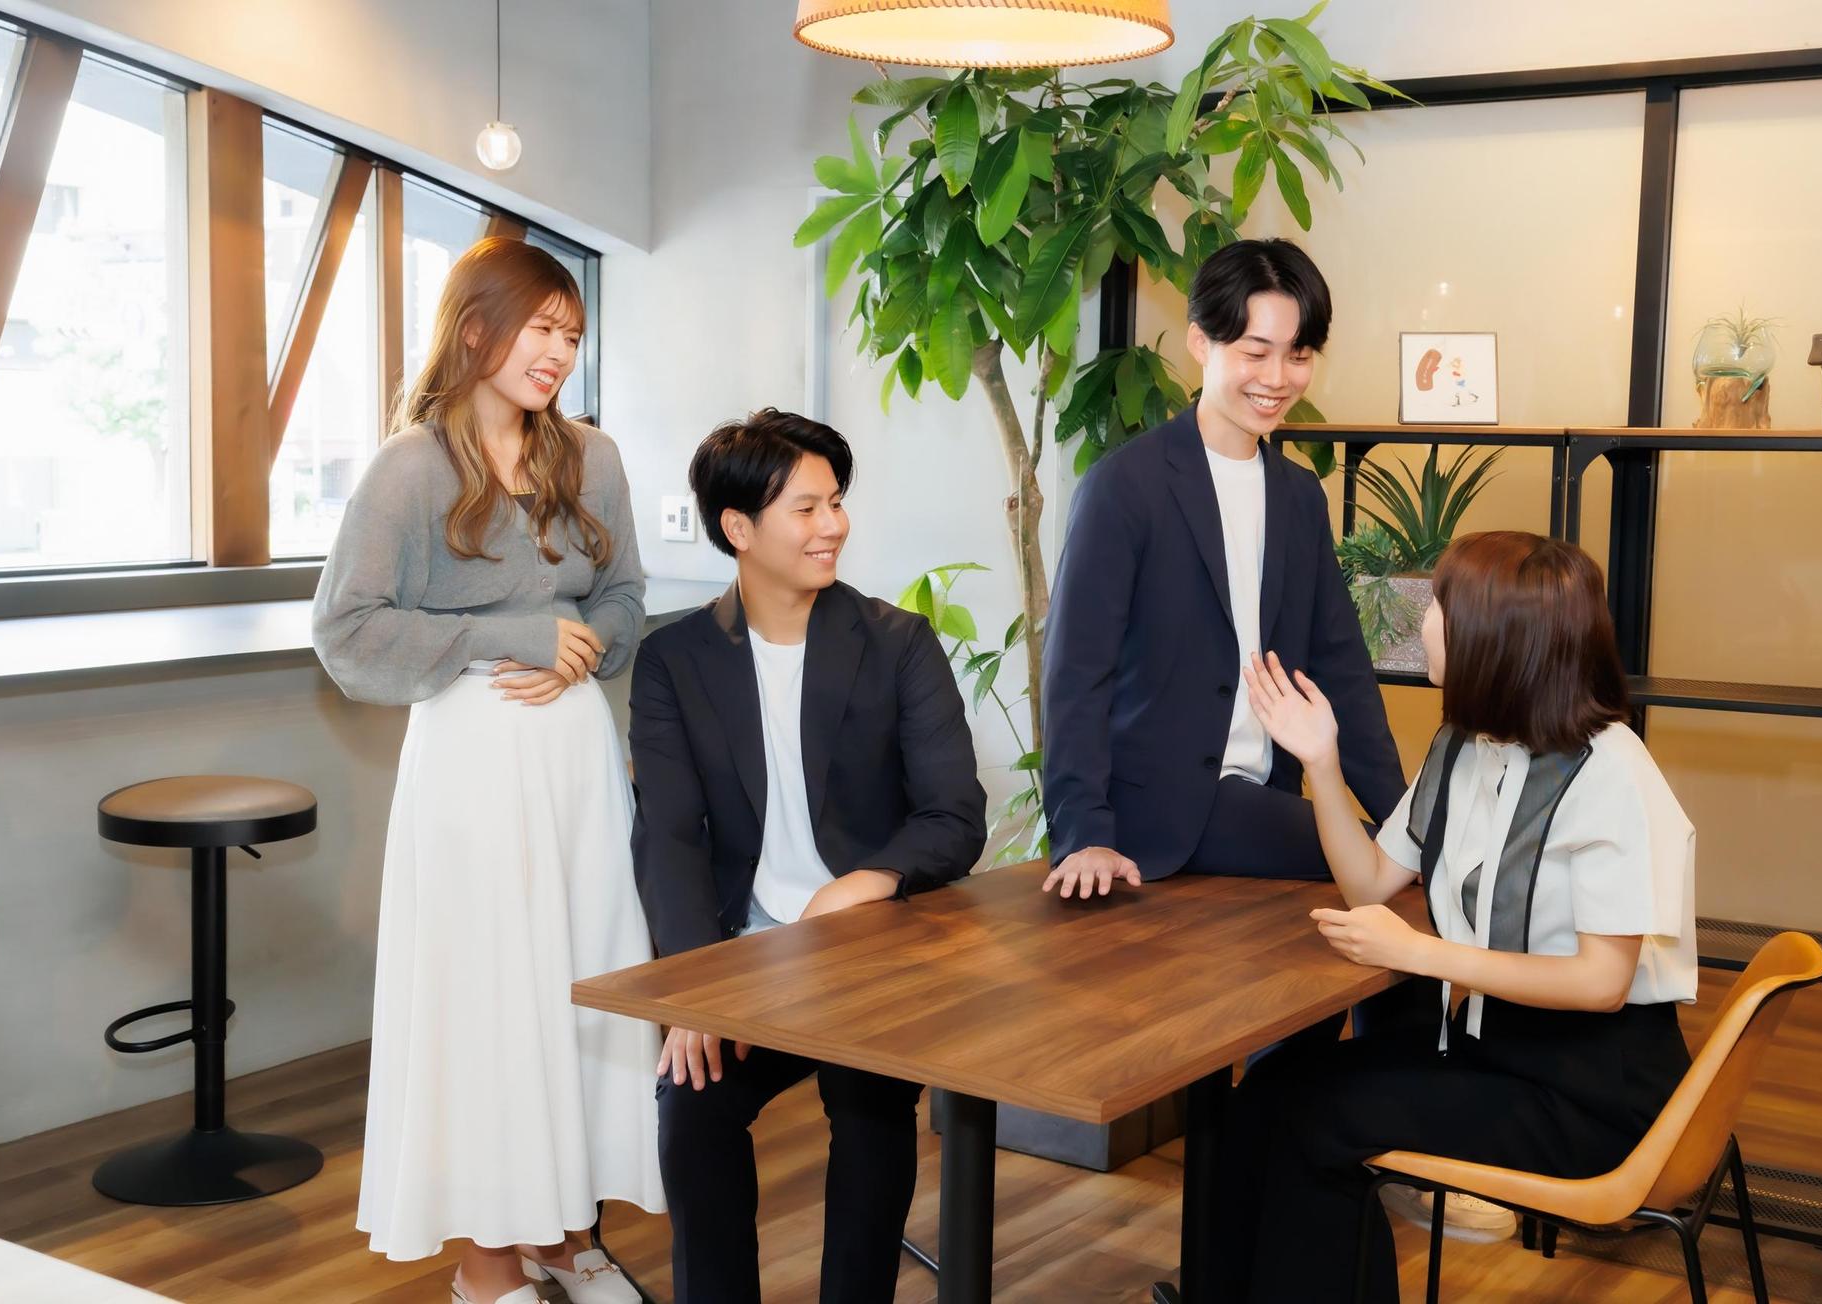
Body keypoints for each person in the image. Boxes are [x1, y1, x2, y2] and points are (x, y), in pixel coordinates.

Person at [1215, 530, 1698, 1303]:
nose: (1424, 620)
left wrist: (1421, 954)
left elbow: (1602, 983)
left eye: (1439, 605)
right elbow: (1371, 883)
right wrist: (1322, 763)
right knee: (1268, 1094)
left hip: (1590, 1095)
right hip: (1490, 1050)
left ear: (1494, 636)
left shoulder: (1612, 774)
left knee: (1315, 1121)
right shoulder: (1463, 746)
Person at [314, 236, 659, 1304]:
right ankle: (487, 1261)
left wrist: (584, 647)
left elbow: (626, 596)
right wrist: (511, 637)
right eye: (540, 329)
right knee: (489, 1001)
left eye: (571, 334)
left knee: (582, 989)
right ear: (476, 330)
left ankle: (565, 1232)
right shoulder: (410, 467)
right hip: (469, 766)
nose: (559, 352)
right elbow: (346, 630)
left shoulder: (592, 456)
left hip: (576, 763)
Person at [630, 408, 985, 1304]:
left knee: (872, 1112)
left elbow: (954, 814)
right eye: (806, 508)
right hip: (745, 958)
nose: (833, 525)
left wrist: (864, 883)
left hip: (865, 952)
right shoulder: (673, 660)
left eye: (836, 503)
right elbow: (669, 835)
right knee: (692, 1109)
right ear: (738, 528)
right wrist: (695, 987)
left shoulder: (897, 642)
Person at [1041, 237, 1403, 901]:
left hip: (1261, 795)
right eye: (1255, 353)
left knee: (1399, 863)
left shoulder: (1299, 497)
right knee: (1383, 868)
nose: (1278, 378)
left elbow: (1342, 671)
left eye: (1298, 355)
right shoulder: (1125, 486)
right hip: (1156, 813)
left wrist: (1404, 815)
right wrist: (1083, 831)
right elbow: (1076, 674)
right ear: (1200, 344)